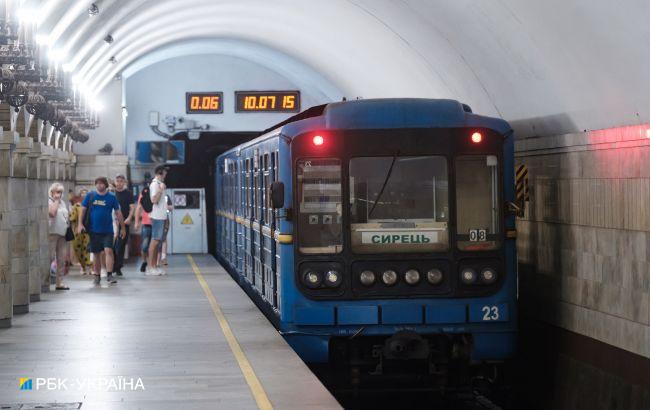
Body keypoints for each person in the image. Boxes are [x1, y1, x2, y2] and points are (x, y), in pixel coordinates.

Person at [77, 177, 126, 285]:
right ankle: (97, 276)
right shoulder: (91, 196)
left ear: (106, 185)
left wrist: (123, 228)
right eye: (97, 183)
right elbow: (83, 210)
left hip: (108, 230)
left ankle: (109, 275)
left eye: (101, 183)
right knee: (96, 254)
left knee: (109, 251)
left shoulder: (112, 197)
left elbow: (118, 213)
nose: (99, 185)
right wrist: (80, 224)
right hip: (94, 230)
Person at [48, 182, 70, 290]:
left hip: (62, 234)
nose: (59, 194)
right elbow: (52, 213)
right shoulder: (49, 201)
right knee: (50, 257)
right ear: (52, 192)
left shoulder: (63, 203)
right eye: (57, 192)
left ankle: (59, 282)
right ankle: (44, 281)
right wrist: (56, 200)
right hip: (52, 233)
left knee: (62, 259)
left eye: (61, 192)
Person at [148, 165, 168, 275]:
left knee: (157, 242)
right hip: (157, 216)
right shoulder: (155, 184)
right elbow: (154, 200)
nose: (166, 175)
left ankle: (154, 266)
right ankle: (151, 267)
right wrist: (161, 190)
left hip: (161, 216)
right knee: (154, 241)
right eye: (165, 173)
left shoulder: (159, 184)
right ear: (160, 173)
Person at [113, 174, 134, 276]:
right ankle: (111, 266)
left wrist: (129, 218)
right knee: (112, 245)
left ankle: (118, 267)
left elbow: (132, 207)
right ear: (115, 182)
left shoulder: (128, 194)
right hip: (113, 223)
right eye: (117, 181)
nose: (119, 183)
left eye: (121, 181)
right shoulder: (112, 194)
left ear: (124, 182)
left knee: (120, 246)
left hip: (124, 223)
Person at [68, 188, 91, 275]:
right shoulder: (76, 206)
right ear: (80, 195)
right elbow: (72, 218)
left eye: (86, 193)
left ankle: (89, 267)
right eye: (82, 193)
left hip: (88, 230)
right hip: (78, 230)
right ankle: (82, 266)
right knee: (78, 248)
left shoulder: (90, 205)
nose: (84, 194)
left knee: (87, 248)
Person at [134, 184, 153, 273]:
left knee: (155, 246)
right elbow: (138, 208)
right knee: (145, 246)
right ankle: (145, 261)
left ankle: (152, 265)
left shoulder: (158, 194)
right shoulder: (144, 194)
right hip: (146, 224)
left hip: (156, 224)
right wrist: (137, 222)